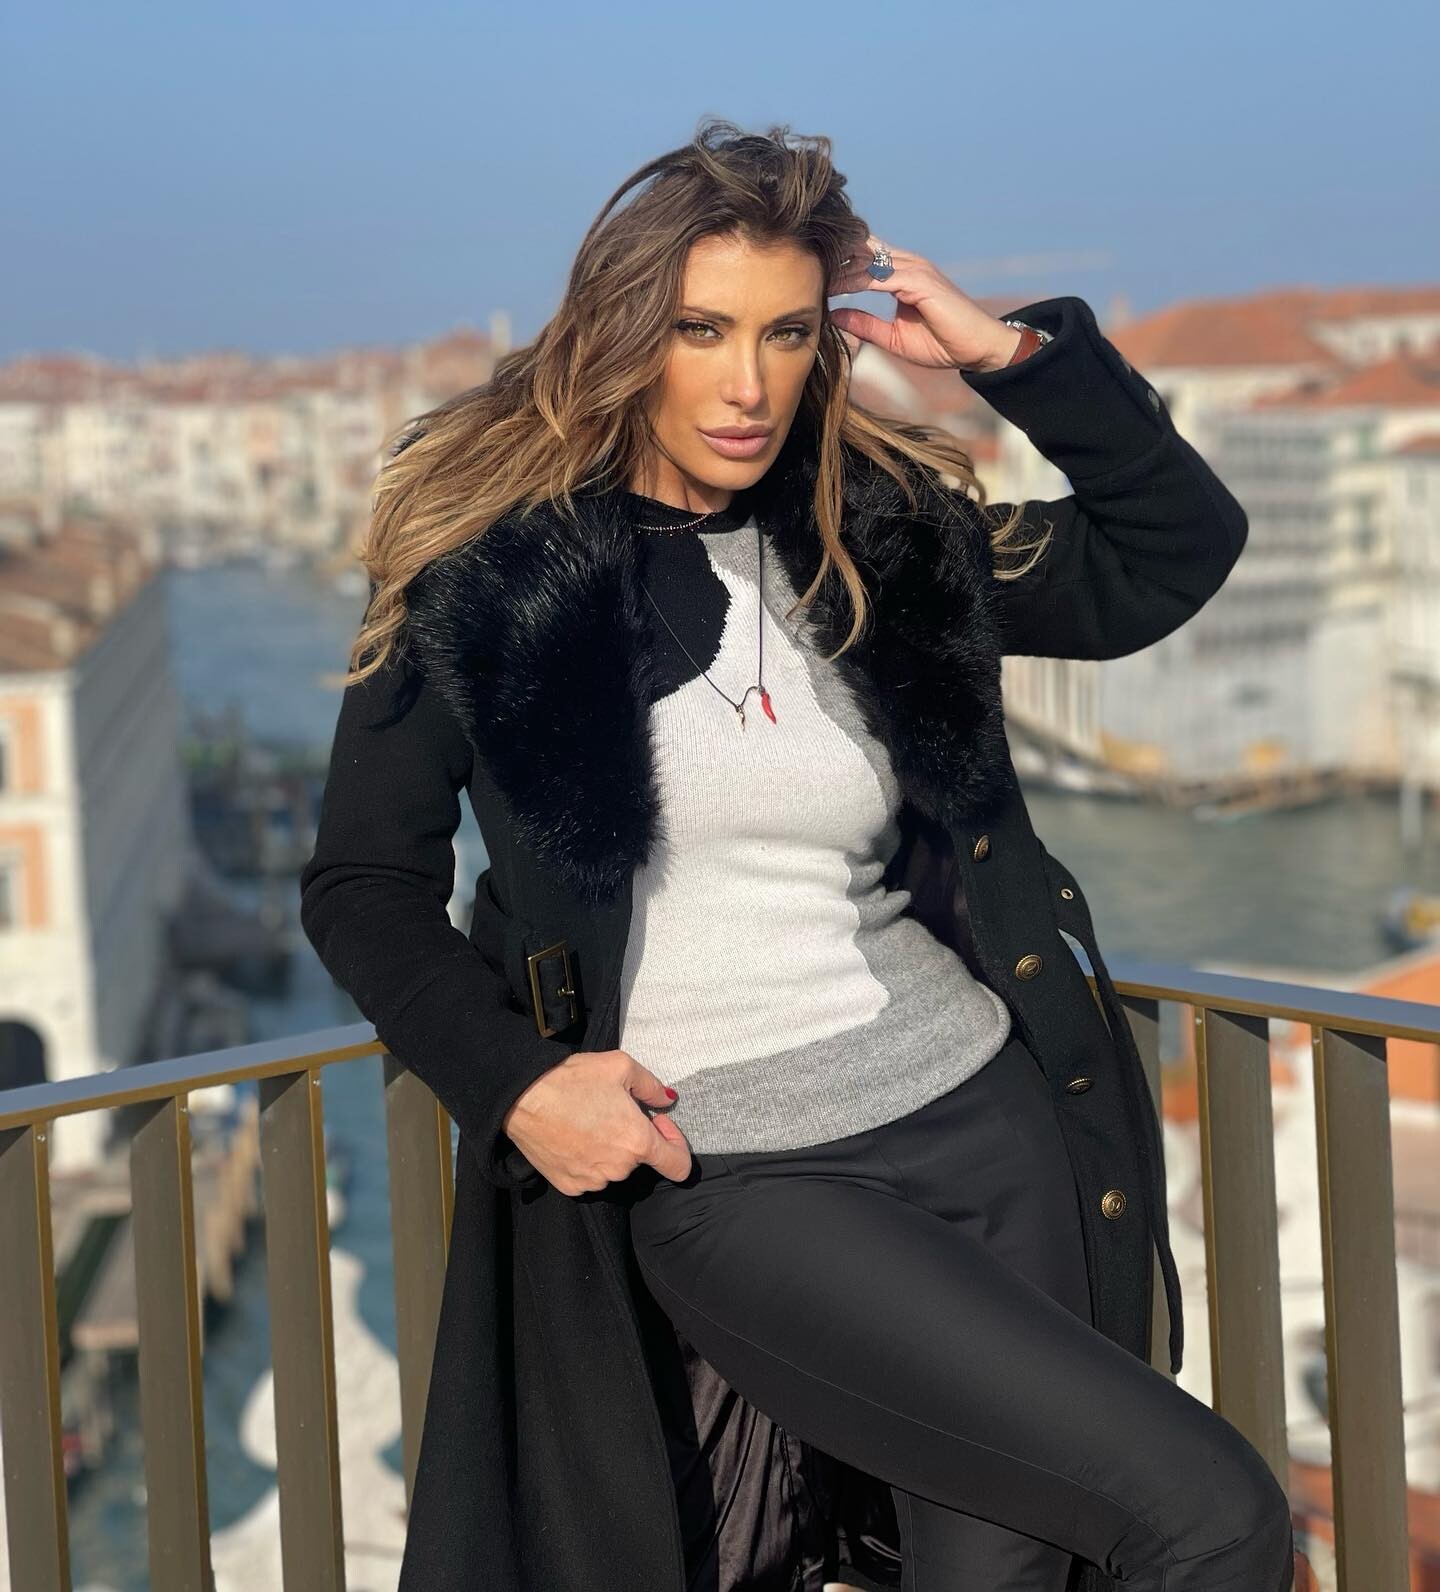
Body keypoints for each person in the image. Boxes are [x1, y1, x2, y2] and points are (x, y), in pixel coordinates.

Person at [299, 118, 1297, 1592]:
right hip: (736, 1171)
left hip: (981, 1118)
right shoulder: (494, 574)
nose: (748, 383)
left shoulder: (873, 535)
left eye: (785, 332)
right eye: (701, 330)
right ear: (624, 332)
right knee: (1213, 1514)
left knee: (1010, 1574)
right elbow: (361, 885)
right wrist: (516, 1082)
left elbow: (1171, 551)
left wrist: (1008, 358)